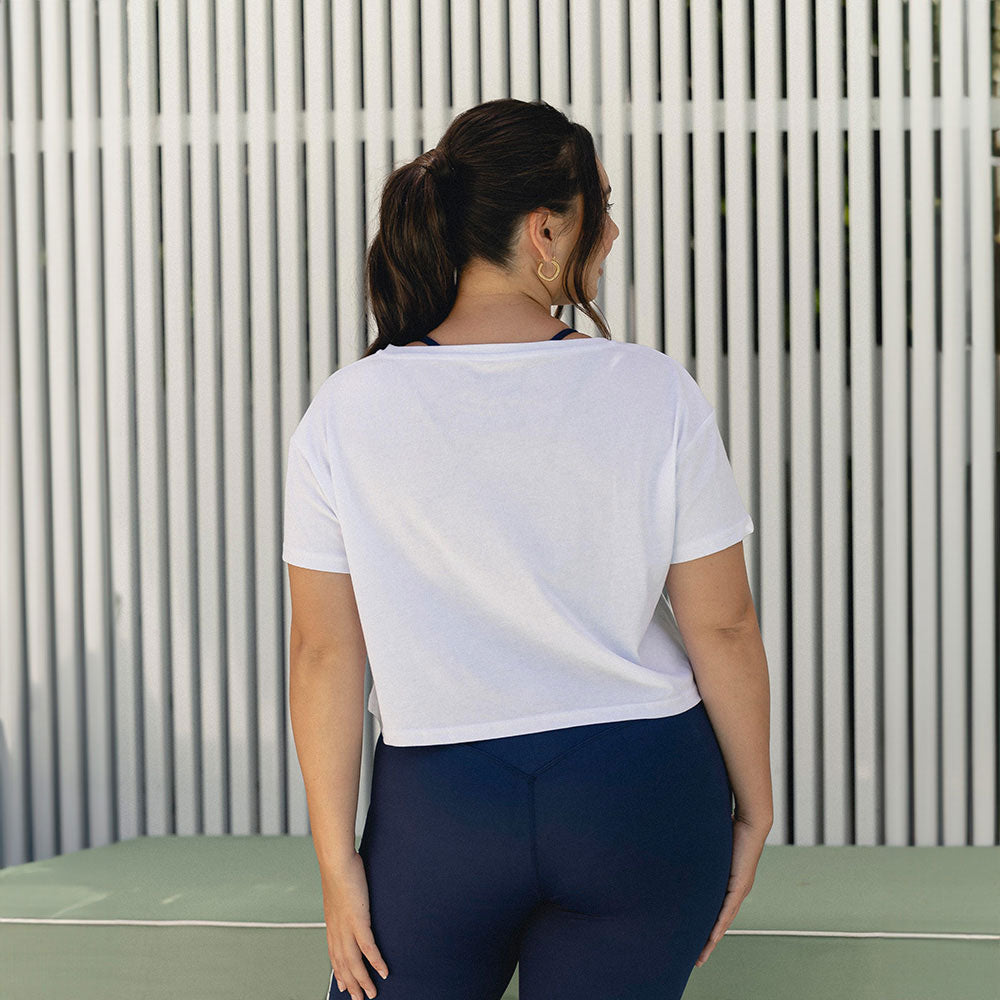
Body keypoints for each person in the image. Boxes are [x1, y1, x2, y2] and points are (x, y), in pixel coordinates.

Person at [283, 98, 772, 1000]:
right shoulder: (653, 390)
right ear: (546, 230)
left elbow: (323, 652)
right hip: (641, 796)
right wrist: (755, 806)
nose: (613, 232)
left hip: (441, 813)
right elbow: (726, 626)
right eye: (603, 208)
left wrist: (335, 861)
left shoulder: (345, 411)